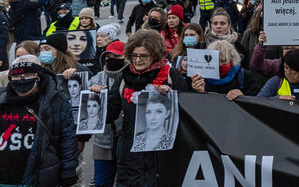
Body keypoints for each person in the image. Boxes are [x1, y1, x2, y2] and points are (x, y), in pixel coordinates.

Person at [106, 29, 187, 185]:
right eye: (134, 55)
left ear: (155, 55)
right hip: (130, 156)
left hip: (162, 157)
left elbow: (185, 114)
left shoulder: (171, 76)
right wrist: (98, 96)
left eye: (143, 56)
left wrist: (170, 96)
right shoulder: (124, 77)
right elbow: (110, 113)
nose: (137, 60)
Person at [0, 60, 79, 186]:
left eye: (28, 75)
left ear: (38, 77)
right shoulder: (2, 99)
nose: (21, 79)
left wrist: (68, 171)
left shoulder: (55, 101)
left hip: (39, 177)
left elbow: (67, 139)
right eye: (15, 76)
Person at [87, 40, 125, 187]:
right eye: (107, 56)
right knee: (101, 182)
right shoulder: (100, 77)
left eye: (115, 56)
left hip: (124, 140)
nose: (110, 60)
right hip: (103, 141)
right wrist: (93, 90)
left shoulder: (130, 77)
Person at [190, 40, 259, 100]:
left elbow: (256, 99)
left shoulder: (244, 76)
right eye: (215, 61)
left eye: (223, 61)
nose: (219, 65)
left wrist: (242, 95)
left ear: (231, 60)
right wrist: (200, 92)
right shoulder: (201, 77)